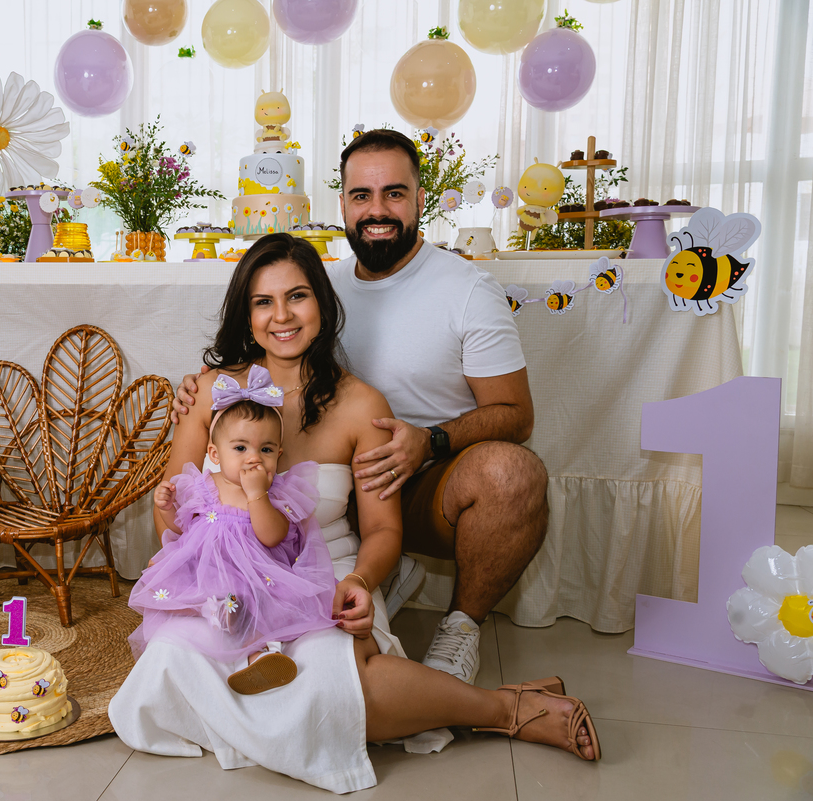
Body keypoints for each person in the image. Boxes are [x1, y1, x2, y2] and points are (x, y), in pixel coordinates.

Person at [108, 234, 597, 794]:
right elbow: (175, 519)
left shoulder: (362, 405)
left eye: (297, 296)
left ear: (322, 301)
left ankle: (505, 710)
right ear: (246, 314)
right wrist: (165, 509)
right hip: (227, 576)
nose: (282, 316)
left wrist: (363, 582)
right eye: (263, 302)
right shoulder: (213, 394)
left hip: (326, 570)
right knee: (168, 666)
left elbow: (385, 528)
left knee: (335, 684)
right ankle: (438, 702)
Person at [173, 129, 549, 685]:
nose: (378, 210)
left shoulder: (468, 290)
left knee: (511, 473)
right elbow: (267, 334)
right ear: (343, 204)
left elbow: (516, 415)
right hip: (313, 488)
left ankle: (461, 628)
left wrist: (430, 439)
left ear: (421, 198)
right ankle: (363, 578)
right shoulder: (323, 282)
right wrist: (209, 390)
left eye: (394, 193)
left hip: (420, 480)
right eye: (361, 196)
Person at [129, 367, 338, 694]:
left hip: (253, 573)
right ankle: (214, 621)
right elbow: (180, 528)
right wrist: (167, 506)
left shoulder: (276, 494)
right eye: (240, 448)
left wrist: (258, 495)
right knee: (190, 592)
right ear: (214, 454)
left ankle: (261, 659)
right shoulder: (203, 486)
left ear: (278, 456)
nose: (253, 458)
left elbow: (273, 536)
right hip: (207, 566)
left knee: (250, 605)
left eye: (266, 450)